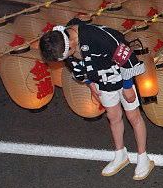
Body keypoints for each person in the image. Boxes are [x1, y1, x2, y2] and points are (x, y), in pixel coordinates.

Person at [39, 19, 155, 179]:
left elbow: (125, 54)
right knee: (113, 117)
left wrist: (128, 85)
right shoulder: (62, 41)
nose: (66, 58)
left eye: (67, 54)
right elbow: (75, 66)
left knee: (133, 116)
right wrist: (90, 82)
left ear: (71, 42)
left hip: (121, 75)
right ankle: (120, 154)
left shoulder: (97, 36)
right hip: (102, 80)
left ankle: (143, 157)